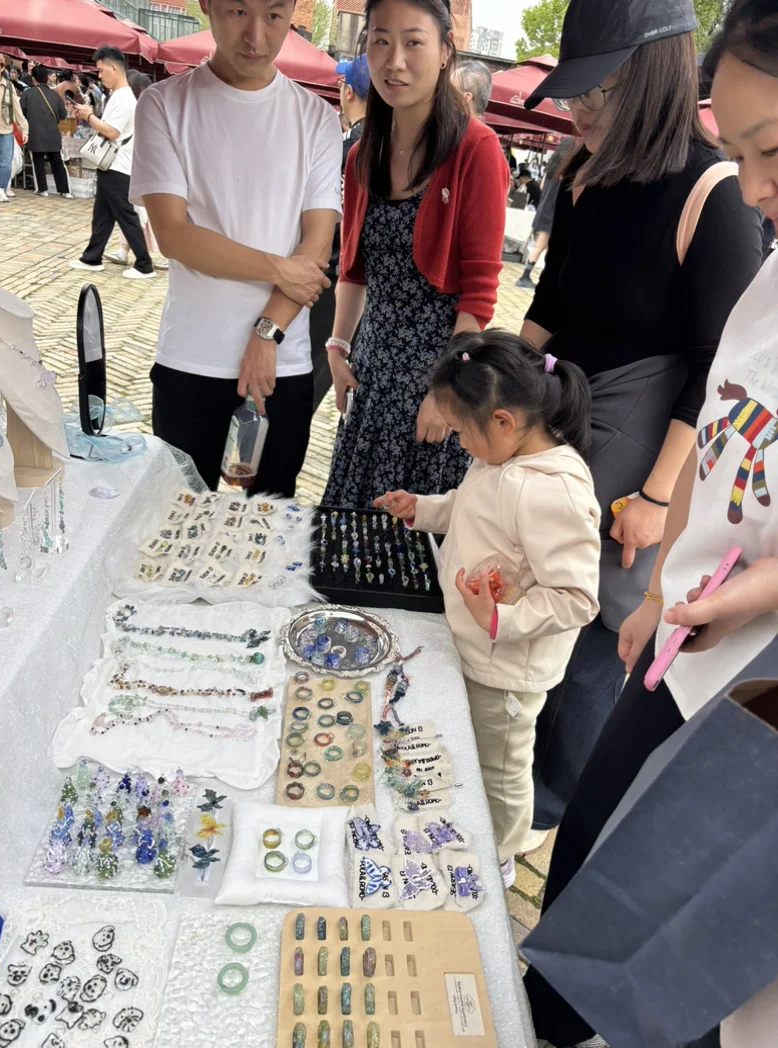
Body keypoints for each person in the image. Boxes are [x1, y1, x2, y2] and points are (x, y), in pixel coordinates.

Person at [525, 3, 778, 1046]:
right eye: (744, 152)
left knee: (684, 948)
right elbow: (723, 425)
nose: (755, 188)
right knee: (589, 871)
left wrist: (731, 582)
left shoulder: (710, 202)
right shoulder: (765, 272)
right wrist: (670, 580)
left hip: (747, 672)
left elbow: (691, 398)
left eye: (771, 153)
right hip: (687, 625)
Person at [378, 330, 600, 885]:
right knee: (473, 746)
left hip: (507, 670)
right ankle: (471, 819)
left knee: (501, 769)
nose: (459, 444)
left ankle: (501, 853)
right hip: (476, 645)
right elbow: (468, 507)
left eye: (460, 432)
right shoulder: (501, 457)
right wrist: (421, 509)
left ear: (502, 420)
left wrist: (503, 619)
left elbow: (576, 597)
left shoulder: (552, 491)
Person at [130, 0, 341, 496]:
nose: (256, 37)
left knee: (270, 521)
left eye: (274, 16)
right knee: (178, 516)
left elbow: (316, 245)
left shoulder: (316, 118)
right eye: (237, 12)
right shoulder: (164, 104)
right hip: (191, 356)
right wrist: (279, 268)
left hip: (283, 361)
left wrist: (266, 334)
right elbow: (174, 235)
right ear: (207, 4)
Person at [322, 0, 509, 510]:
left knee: (411, 534)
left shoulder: (475, 149)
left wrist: (449, 393)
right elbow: (353, 270)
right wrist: (338, 347)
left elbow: (480, 294)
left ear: (446, 50)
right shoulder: (363, 154)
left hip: (434, 384)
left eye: (413, 42)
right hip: (369, 376)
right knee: (352, 526)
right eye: (380, 41)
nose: (395, 60)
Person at [309, 53, 371, 413]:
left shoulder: (347, 150)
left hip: (333, 278)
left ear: (348, 92)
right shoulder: (396, 151)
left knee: (310, 381)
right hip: (370, 291)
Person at [68, 46, 154, 281]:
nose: (99, 75)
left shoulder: (124, 98)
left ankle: (144, 264)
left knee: (125, 215)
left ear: (114, 68)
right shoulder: (118, 96)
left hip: (118, 166)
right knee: (103, 214)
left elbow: (112, 132)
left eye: (101, 70)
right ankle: (92, 257)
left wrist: (89, 116)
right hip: (113, 164)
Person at [105, 71, 167, 271]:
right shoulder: (142, 110)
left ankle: (165, 254)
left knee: (146, 214)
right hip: (135, 168)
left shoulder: (147, 112)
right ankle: (124, 249)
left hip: (147, 171)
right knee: (133, 212)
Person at [515, 137, 571, 290]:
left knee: (545, 246)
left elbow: (540, 186)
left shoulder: (550, 168)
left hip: (544, 208)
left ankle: (540, 277)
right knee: (544, 246)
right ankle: (526, 277)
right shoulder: (566, 170)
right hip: (554, 211)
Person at [20, 65, 73, 199]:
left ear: (33, 78)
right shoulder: (55, 95)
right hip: (53, 133)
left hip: (35, 132)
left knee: (38, 161)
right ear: (46, 78)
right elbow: (63, 114)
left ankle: (42, 189)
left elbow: (21, 113)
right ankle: (65, 191)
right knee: (57, 161)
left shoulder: (27, 94)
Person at [0, 51, 28, 204]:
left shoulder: (9, 86)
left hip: (6, 129)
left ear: (2, 68)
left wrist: (24, 129)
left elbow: (17, 109)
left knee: (5, 162)